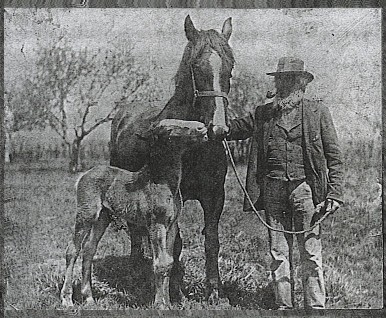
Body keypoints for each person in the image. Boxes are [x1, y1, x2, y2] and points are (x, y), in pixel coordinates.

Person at [216, 57, 344, 309]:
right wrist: (217, 127)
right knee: (278, 252)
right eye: (280, 79)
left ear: (302, 83)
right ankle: (283, 306)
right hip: (272, 191)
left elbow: (335, 157)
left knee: (310, 252)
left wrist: (335, 193)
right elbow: (235, 129)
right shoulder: (263, 114)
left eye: (290, 79)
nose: (284, 84)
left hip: (306, 192)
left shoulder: (318, 112)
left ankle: (315, 308)